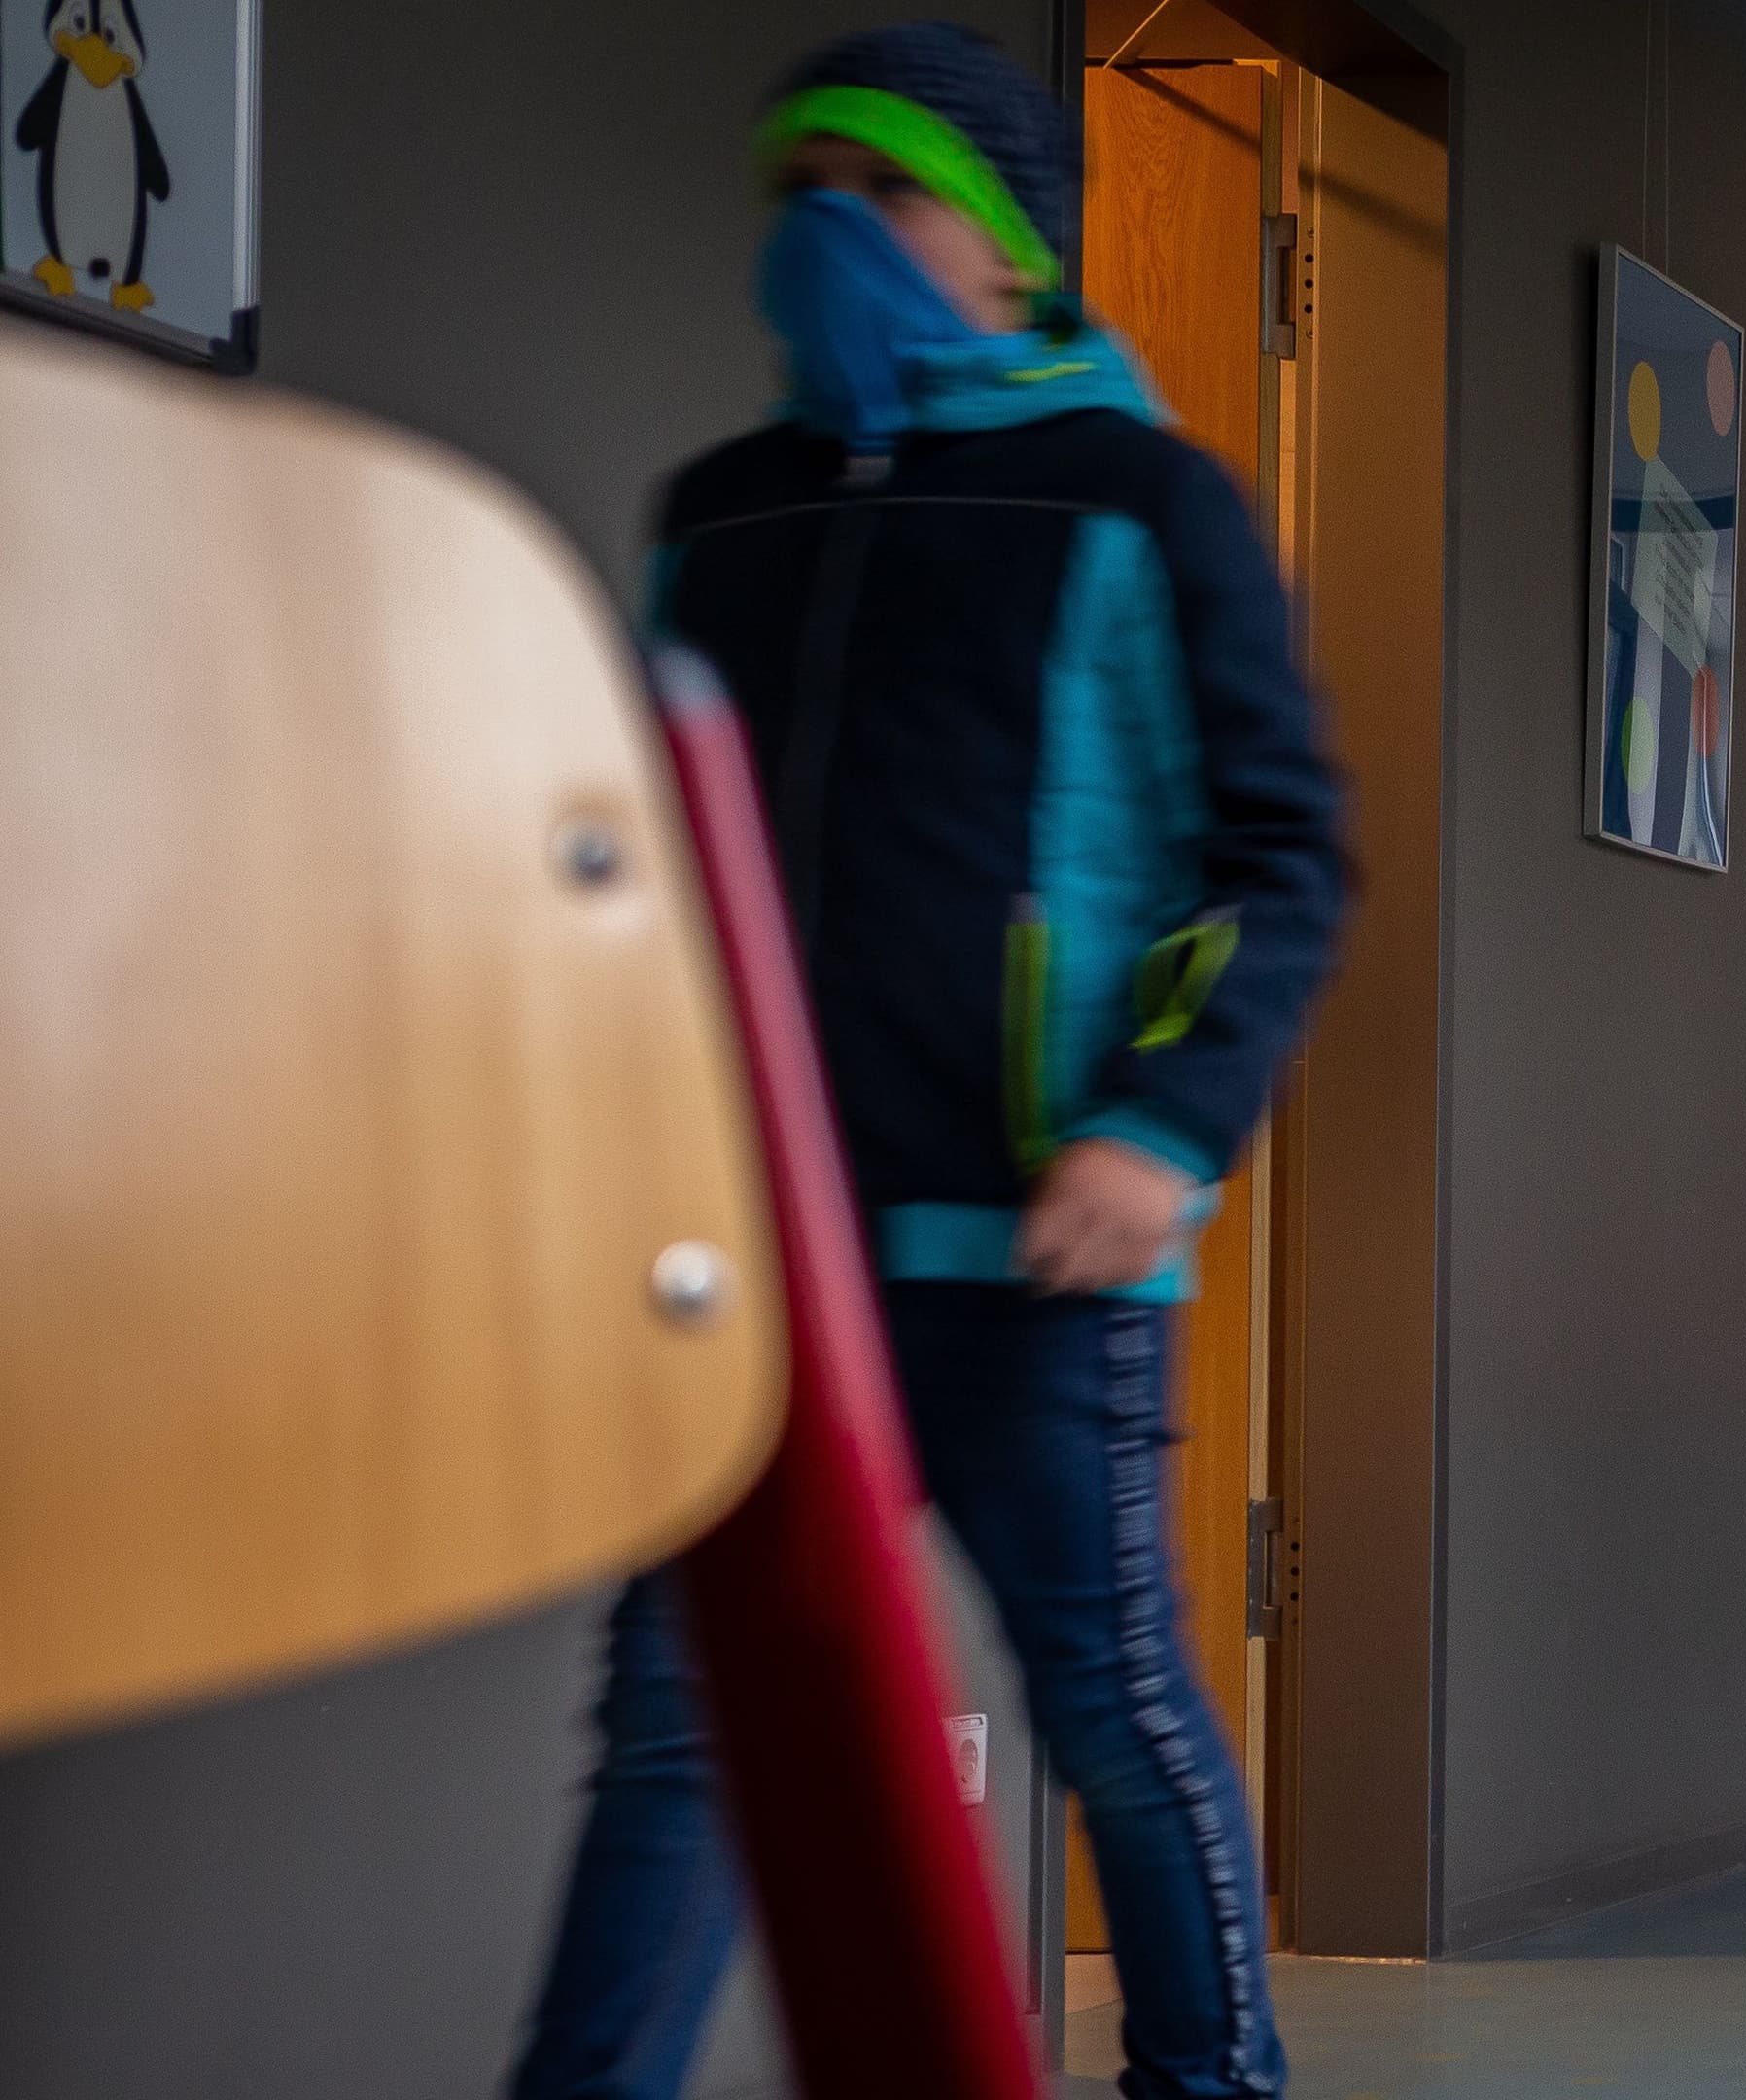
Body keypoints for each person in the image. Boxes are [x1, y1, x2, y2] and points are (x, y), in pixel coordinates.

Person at [510, 28, 1345, 2100]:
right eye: (795, 194)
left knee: (1112, 1703)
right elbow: (638, 855)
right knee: (684, 1726)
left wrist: (1161, 1124)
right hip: (758, 1252)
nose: (825, 238)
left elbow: (1278, 857)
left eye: (877, 195)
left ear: (1003, 247)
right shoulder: (716, 518)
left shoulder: (1141, 500)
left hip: (1038, 1251)